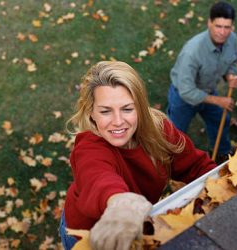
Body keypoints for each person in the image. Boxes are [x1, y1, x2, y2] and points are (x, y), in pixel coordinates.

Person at [59, 61, 216, 250]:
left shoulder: (159, 130)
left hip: (134, 229)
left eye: (127, 109)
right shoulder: (89, 148)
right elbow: (98, 177)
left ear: (140, 108)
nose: (118, 121)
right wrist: (122, 203)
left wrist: (222, 187)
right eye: (106, 111)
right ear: (92, 113)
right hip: (87, 236)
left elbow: (196, 166)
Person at [167, 1, 237, 164]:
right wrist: (218, 100)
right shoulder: (192, 52)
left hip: (207, 90)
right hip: (182, 98)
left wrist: (230, 75)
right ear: (209, 23)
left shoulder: (232, 40)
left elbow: (233, 62)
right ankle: (171, 164)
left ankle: (221, 153)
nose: (222, 32)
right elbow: (187, 91)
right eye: (218, 26)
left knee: (221, 119)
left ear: (232, 26)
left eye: (227, 27)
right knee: (175, 136)